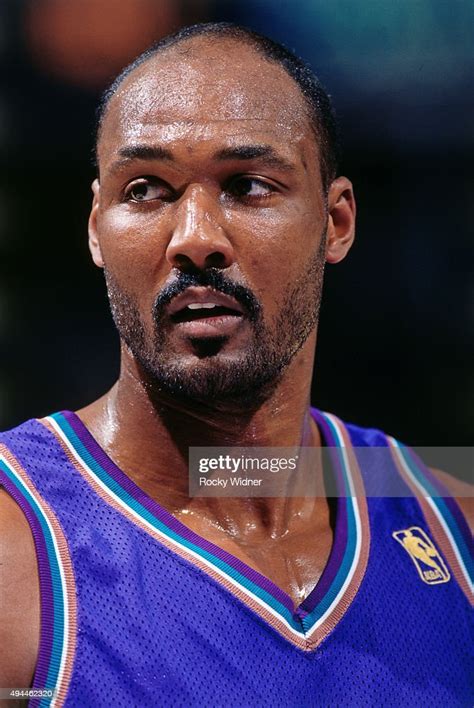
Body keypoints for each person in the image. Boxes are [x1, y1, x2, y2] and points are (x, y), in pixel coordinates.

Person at [0, 22, 472, 707]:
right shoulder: (17, 548)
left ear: (336, 222)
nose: (196, 239)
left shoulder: (448, 520)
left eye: (248, 185)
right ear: (95, 227)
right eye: (146, 189)